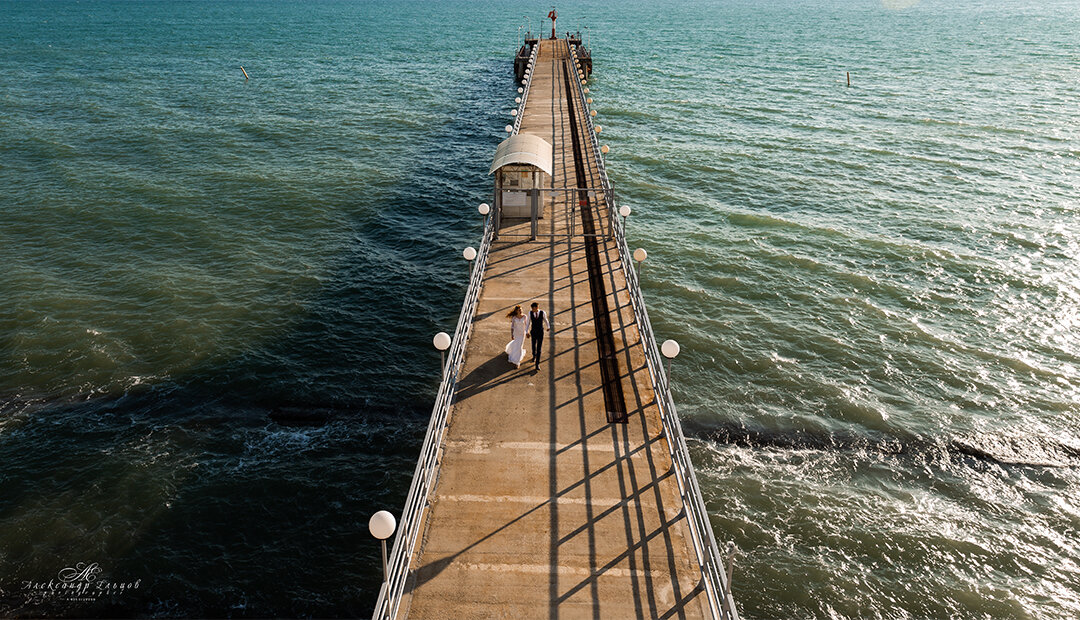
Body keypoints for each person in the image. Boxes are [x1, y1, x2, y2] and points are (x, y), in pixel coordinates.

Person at [528, 302, 550, 370]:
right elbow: (528, 323)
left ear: (537, 308)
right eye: (532, 309)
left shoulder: (543, 313)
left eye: (533, 309)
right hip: (533, 332)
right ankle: (534, 355)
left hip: (540, 332)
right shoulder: (530, 313)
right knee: (533, 345)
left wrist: (548, 326)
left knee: (539, 348)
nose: (532, 310)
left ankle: (537, 364)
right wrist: (527, 331)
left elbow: (545, 320)